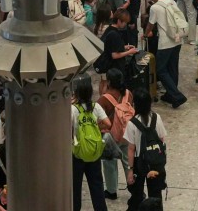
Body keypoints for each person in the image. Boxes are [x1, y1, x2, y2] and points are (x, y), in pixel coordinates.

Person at [124, 88, 167, 211]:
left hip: (139, 162)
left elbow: (131, 149)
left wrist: (130, 170)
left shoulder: (132, 123)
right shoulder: (156, 118)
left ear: (135, 104)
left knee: (137, 195)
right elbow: (162, 140)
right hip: (154, 160)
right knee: (155, 195)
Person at [71, 75, 109, 211]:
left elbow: (67, 130)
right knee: (97, 184)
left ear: (76, 93)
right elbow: (108, 123)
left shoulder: (73, 109)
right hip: (94, 150)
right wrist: (96, 129)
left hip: (77, 152)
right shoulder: (96, 106)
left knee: (75, 186)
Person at [146, 0, 186, 108]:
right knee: (173, 67)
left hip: (165, 42)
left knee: (161, 69)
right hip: (177, 39)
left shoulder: (155, 8)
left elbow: (151, 24)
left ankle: (177, 95)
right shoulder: (172, 2)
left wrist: (146, 33)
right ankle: (170, 95)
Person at [97, 68, 133, 201]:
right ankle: (134, 188)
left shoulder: (103, 100)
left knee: (109, 162)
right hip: (128, 133)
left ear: (109, 81)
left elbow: (99, 120)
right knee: (128, 161)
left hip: (112, 137)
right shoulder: (128, 94)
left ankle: (111, 191)